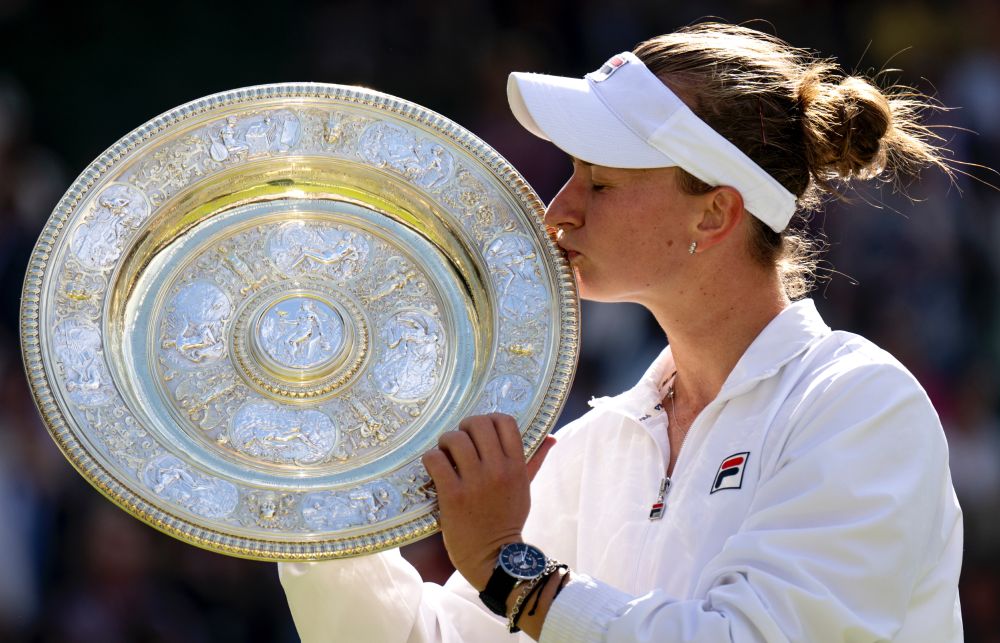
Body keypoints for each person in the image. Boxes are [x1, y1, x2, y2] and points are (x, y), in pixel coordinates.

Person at [279, 23, 963, 642]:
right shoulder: (594, 443)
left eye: (600, 184)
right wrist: (320, 478)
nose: (558, 212)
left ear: (714, 215)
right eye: (572, 176)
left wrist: (506, 567)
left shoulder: (862, 405)